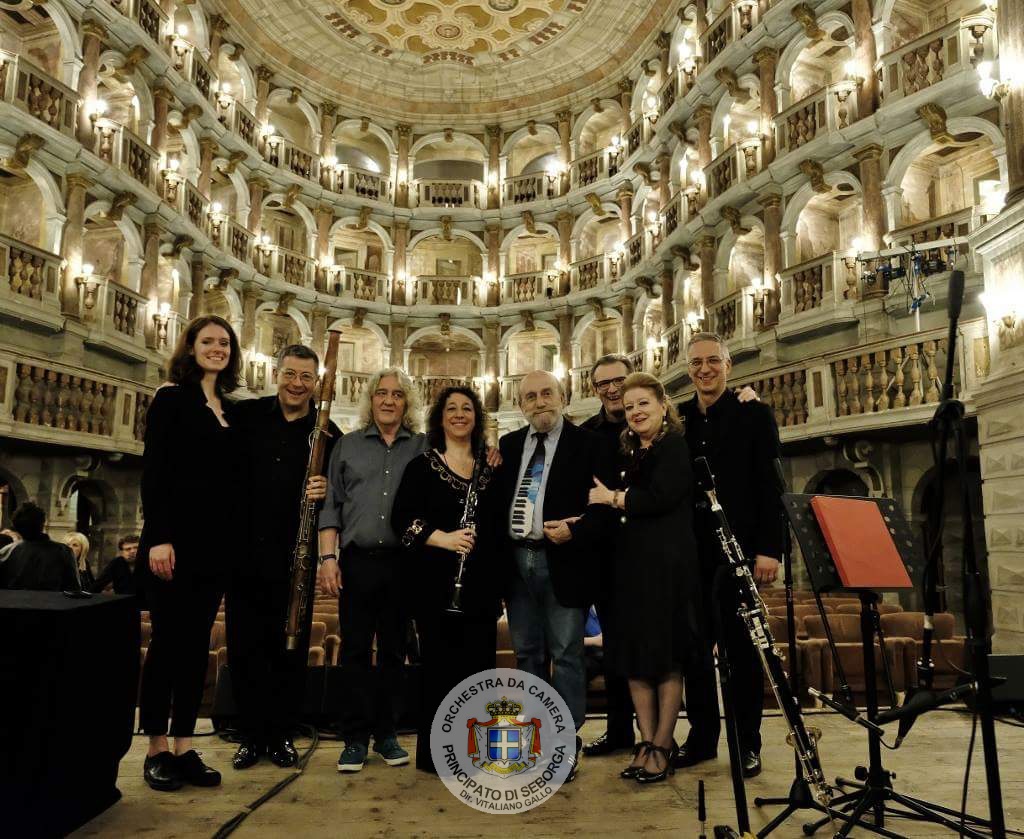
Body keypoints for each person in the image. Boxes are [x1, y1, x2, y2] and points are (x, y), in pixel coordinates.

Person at [136, 315, 244, 792]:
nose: (217, 349)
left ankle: (184, 742)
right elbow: (155, 470)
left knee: (196, 645)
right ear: (191, 347)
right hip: (173, 545)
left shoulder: (230, 409)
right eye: (208, 342)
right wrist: (159, 535)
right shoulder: (171, 399)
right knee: (166, 645)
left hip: (214, 547)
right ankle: (156, 745)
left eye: (224, 343)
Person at [496, 369, 613, 783]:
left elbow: (604, 509)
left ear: (562, 397)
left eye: (547, 393)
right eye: (531, 396)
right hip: (517, 563)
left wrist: (574, 530)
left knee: (566, 654)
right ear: (521, 405)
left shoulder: (590, 445)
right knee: (527, 654)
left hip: (564, 561)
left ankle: (565, 742)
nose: (540, 401)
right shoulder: (507, 447)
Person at [227, 344, 340, 771]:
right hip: (243, 556)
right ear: (276, 374)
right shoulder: (246, 416)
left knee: (289, 650)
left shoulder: (329, 433)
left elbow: (339, 498)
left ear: (317, 383)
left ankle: (280, 735)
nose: (296, 384)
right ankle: (250, 735)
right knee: (243, 648)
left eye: (306, 378)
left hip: (297, 560)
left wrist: (326, 488)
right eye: (290, 374)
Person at [676, 332, 783, 779]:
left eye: (712, 361)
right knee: (696, 655)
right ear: (688, 369)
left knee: (741, 654)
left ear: (728, 365)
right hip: (690, 554)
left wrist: (769, 550)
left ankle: (747, 745)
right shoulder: (678, 419)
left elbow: (769, 486)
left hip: (738, 553)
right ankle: (701, 741)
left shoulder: (754, 415)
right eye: (696, 363)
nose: (704, 369)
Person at [589, 372, 701, 783]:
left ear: (662, 406)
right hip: (631, 568)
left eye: (644, 404)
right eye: (630, 406)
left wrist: (613, 498)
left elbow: (661, 498)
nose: (635, 412)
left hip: (668, 568)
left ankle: (663, 743)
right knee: (636, 658)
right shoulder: (629, 450)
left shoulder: (674, 446)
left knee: (667, 659)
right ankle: (645, 740)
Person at [317, 368, 424, 774]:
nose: (388, 400)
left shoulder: (422, 446)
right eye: (381, 393)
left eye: (397, 394)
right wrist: (329, 560)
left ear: (406, 403)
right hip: (357, 560)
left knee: (395, 653)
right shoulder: (346, 445)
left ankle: (388, 734)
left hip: (403, 563)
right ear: (371, 399)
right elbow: (331, 507)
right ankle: (354, 739)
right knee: (355, 653)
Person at [391, 386, 501, 773]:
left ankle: (474, 754)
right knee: (440, 669)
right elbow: (402, 521)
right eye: (451, 408)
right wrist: (445, 539)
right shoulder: (422, 466)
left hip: (482, 586)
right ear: (440, 418)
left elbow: (500, 527)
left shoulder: (491, 468)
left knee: (479, 668)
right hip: (435, 585)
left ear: (476, 417)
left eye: (466, 408)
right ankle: (439, 755)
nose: (459, 414)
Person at [580, 354, 636, 758]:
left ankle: (660, 734)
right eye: (604, 384)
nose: (613, 389)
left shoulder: (655, 424)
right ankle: (619, 732)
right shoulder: (586, 435)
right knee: (616, 647)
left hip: (650, 551)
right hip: (606, 555)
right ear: (594, 389)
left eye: (619, 380)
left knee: (653, 648)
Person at [0, 502, 78, 591]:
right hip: (51, 603)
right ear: (43, 523)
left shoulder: (5, 552)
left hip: (12, 603)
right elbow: (74, 590)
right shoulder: (63, 552)